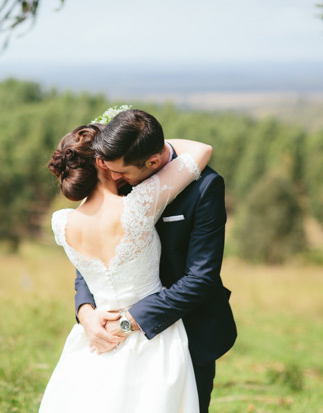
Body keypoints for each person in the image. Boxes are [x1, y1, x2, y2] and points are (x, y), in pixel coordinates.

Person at [39, 112, 214, 413]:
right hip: (155, 339)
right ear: (102, 162)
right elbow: (201, 149)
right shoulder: (139, 205)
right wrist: (142, 147)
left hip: (94, 335)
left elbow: (86, 271)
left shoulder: (63, 222)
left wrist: (86, 314)